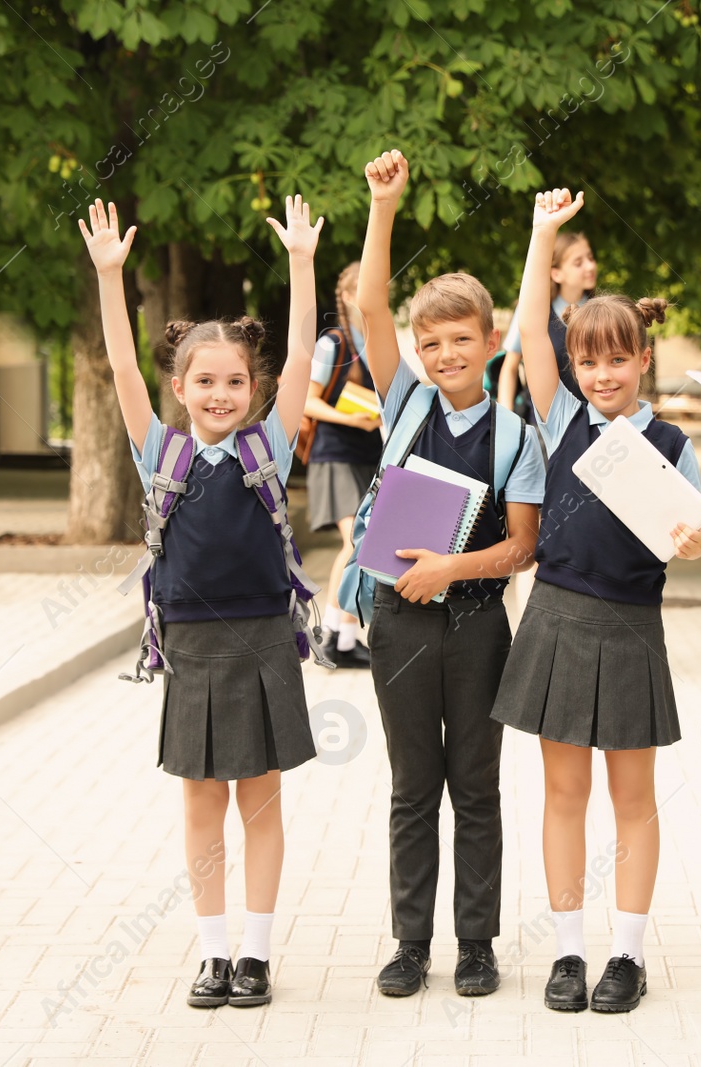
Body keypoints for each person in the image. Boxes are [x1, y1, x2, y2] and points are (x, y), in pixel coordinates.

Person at [80, 195, 325, 1010]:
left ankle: (257, 956)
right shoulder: (163, 453)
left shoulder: (269, 443)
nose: (220, 394)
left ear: (254, 389)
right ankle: (212, 955)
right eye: (204, 381)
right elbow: (119, 367)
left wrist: (299, 262)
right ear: (180, 386)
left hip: (262, 643)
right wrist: (111, 278)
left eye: (234, 381)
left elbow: (299, 356)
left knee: (261, 804)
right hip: (189, 647)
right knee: (200, 808)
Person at [492, 187, 701, 1016]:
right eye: (589, 362)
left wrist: (689, 545)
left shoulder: (672, 444)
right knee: (561, 795)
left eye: (618, 360)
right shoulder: (556, 417)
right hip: (554, 617)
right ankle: (568, 951)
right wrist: (543, 234)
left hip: (630, 628)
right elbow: (528, 326)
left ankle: (626, 953)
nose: (602, 374)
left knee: (633, 799)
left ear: (643, 359)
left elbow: (687, 536)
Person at [353, 150, 547, 999]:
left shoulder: (514, 438)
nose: (441, 354)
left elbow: (523, 548)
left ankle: (476, 943)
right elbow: (368, 304)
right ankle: (408, 941)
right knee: (409, 787)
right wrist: (383, 204)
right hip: (398, 621)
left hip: (475, 625)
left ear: (490, 339)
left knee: (475, 783)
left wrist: (449, 569)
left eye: (458, 340)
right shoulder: (405, 403)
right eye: (429, 343)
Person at [302, 261, 382, 668]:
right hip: (335, 455)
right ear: (349, 295)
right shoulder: (333, 342)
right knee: (357, 543)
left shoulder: (374, 342)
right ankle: (334, 637)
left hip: (367, 455)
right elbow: (307, 400)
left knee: (363, 546)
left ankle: (344, 638)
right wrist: (350, 418)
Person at [497, 230, 594, 419]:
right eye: (578, 262)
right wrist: (506, 421)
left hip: (593, 424)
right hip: (544, 428)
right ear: (556, 273)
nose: (590, 266)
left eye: (590, 258)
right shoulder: (532, 311)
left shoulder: (603, 310)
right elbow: (509, 368)